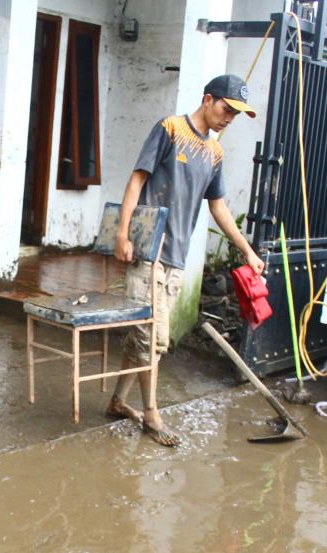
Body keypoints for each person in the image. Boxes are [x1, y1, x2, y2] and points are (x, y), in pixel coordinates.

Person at [105, 74, 265, 447]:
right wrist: (122, 233)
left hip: (176, 255)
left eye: (236, 115)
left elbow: (219, 206)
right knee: (153, 337)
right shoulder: (169, 129)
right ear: (208, 99)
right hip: (148, 250)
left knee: (149, 340)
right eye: (227, 109)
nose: (229, 119)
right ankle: (152, 415)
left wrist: (247, 249)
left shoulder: (215, 153)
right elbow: (137, 180)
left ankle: (118, 401)